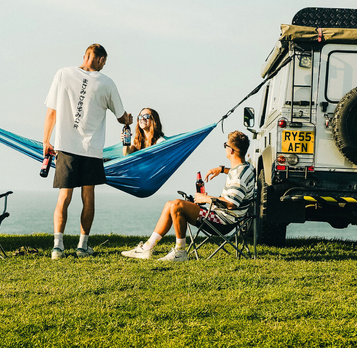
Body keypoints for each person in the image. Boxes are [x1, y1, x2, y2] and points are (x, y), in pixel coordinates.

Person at [44, 44, 132, 259]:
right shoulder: (107, 83)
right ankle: (82, 247)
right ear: (101, 59)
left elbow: (52, 111)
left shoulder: (63, 74)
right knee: (88, 196)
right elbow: (121, 116)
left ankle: (58, 247)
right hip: (91, 149)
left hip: (65, 145)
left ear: (85, 56)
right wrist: (128, 120)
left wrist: (46, 140)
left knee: (64, 197)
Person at [120, 131, 255, 262]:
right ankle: (146, 248)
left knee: (177, 205)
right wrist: (221, 170)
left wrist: (206, 199)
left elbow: (231, 203)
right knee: (169, 204)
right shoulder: (246, 167)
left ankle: (180, 252)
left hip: (224, 221)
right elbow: (236, 177)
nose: (225, 148)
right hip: (223, 215)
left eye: (225, 145)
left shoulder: (239, 176)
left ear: (231, 150)